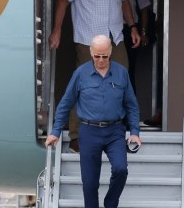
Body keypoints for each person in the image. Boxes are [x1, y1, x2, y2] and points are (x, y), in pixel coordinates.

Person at [49, 0, 141, 153]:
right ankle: (76, 136)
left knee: (120, 81)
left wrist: (132, 26)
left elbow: (125, 0)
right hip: (88, 39)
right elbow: (63, 1)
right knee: (83, 85)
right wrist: (57, 31)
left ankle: (116, 131)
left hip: (115, 37)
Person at [45, 35, 142, 208]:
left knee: (121, 169)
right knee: (90, 183)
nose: (101, 60)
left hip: (115, 131)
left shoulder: (121, 73)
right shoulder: (81, 74)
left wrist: (134, 132)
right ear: (91, 53)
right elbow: (66, 103)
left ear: (110, 52)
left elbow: (132, 105)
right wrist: (55, 131)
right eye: (97, 56)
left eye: (105, 56)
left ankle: (110, 203)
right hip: (89, 132)